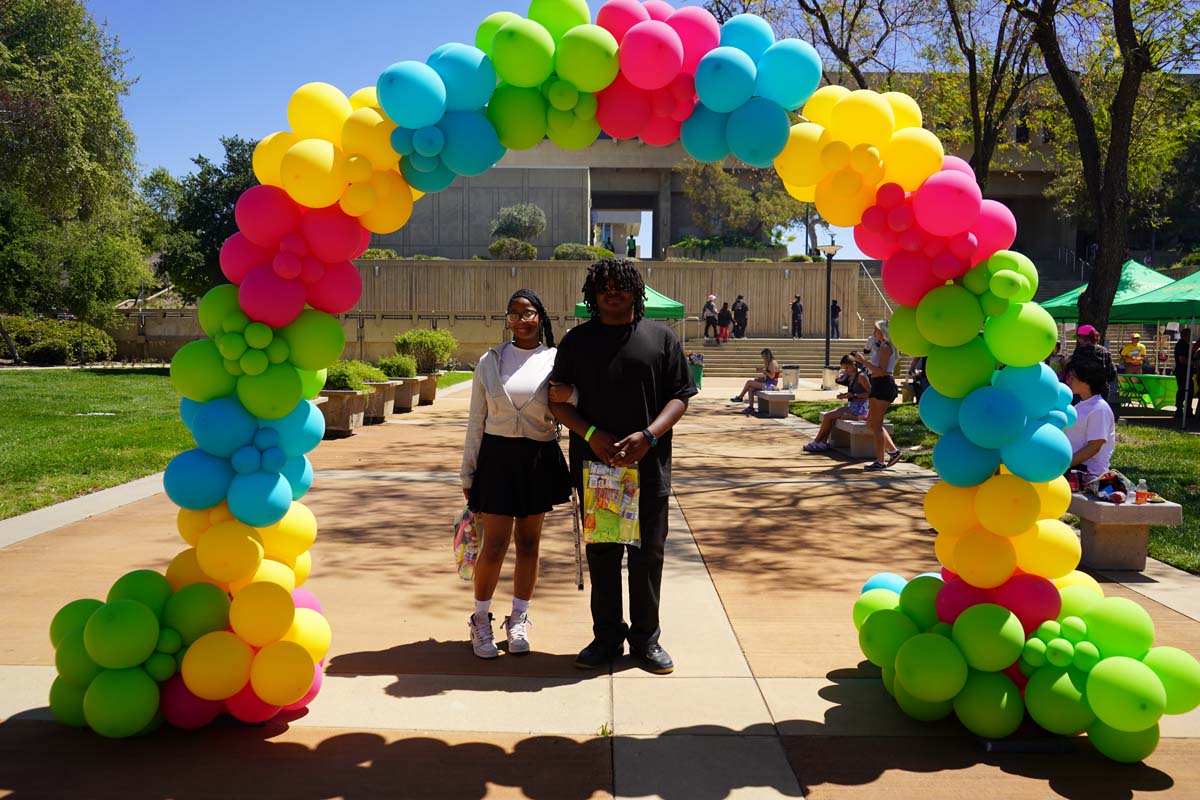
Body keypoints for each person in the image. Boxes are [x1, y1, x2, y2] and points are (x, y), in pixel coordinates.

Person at [548, 258, 697, 675]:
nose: (612, 291)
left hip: (648, 468)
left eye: (621, 285)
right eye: (604, 286)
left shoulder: (662, 338)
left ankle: (646, 640)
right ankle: (607, 636)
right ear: (593, 294)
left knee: (648, 555)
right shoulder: (577, 341)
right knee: (604, 555)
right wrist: (591, 433)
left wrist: (649, 436)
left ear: (636, 290)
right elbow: (556, 401)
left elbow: (681, 396)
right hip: (598, 469)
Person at [460, 289, 573, 659]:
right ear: (506, 319)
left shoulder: (556, 360)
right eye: (513, 313)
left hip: (537, 457)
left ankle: (519, 618)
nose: (521, 319)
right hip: (496, 458)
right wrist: (468, 472)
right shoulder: (490, 360)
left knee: (529, 543)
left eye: (528, 312)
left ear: (541, 317)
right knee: (493, 544)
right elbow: (477, 419)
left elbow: (571, 403)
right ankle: (480, 619)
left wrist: (569, 395)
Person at [853, 320, 902, 471]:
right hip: (879, 384)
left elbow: (881, 370)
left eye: (876, 330)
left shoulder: (885, 347)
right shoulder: (881, 347)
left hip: (883, 384)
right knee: (872, 423)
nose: (873, 333)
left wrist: (863, 362)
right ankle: (893, 452)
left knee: (877, 425)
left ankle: (880, 461)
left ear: (883, 332)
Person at [803, 355, 870, 451]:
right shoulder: (851, 375)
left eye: (847, 368)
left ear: (853, 364)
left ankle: (816, 441)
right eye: (844, 369)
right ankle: (822, 443)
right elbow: (853, 393)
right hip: (853, 407)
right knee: (830, 417)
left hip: (860, 410)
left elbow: (870, 394)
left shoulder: (861, 376)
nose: (846, 371)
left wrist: (854, 395)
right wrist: (845, 395)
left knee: (828, 416)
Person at [1065, 363, 1116, 481]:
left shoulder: (1099, 408)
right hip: (1074, 467)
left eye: (1072, 377)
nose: (1068, 381)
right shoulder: (1080, 405)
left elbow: (1094, 447)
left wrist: (1063, 465)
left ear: (1086, 382)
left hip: (1088, 472)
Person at [730, 348, 781, 413]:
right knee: (750, 388)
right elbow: (769, 377)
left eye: (763, 357)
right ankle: (751, 407)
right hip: (768, 383)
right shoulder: (769, 362)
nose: (763, 358)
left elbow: (773, 376)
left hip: (771, 386)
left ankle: (740, 397)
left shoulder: (772, 363)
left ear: (766, 356)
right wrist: (761, 379)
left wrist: (763, 371)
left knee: (749, 382)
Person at [1175, 328, 1195, 423]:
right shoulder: (1182, 345)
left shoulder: (1185, 344)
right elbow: (1182, 359)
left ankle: (1185, 410)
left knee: (1187, 391)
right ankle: (1181, 410)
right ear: (1184, 335)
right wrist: (1193, 363)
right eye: (1189, 335)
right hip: (1183, 372)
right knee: (1185, 390)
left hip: (1185, 372)